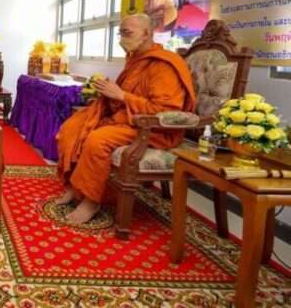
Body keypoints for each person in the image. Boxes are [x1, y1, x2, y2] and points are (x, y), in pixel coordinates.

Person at [55, 14, 195, 225]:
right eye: (120, 33)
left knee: (97, 139)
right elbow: (125, 98)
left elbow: (164, 110)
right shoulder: (136, 59)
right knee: (74, 126)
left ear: (146, 34)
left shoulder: (163, 65)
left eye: (127, 33)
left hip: (154, 129)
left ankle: (91, 201)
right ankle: (75, 188)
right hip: (128, 120)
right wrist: (108, 94)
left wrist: (121, 96)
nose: (121, 38)